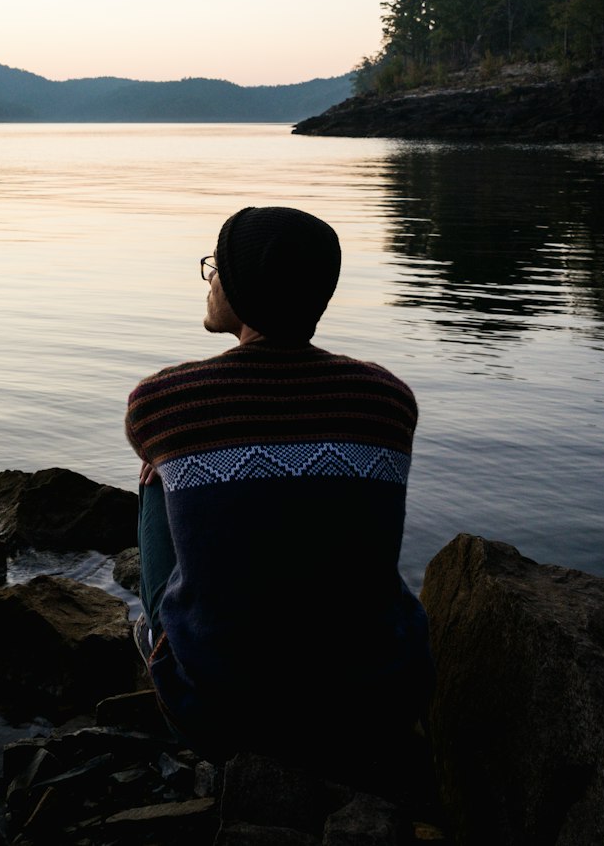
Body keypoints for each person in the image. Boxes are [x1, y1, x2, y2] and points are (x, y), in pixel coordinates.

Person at [124, 205, 433, 777]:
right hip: (378, 709)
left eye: (216, 266)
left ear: (242, 285)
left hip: (217, 717)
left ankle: (155, 632)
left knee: (156, 475)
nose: (209, 278)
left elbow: (163, 450)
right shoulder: (388, 397)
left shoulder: (165, 400)